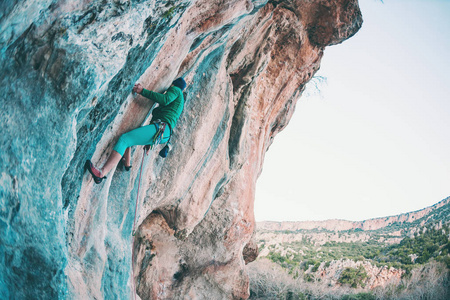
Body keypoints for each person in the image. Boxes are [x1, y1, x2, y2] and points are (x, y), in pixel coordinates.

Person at [85, 77, 186, 184]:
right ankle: (127, 164)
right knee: (131, 136)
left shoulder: (176, 90)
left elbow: (165, 100)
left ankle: (101, 173)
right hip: (163, 133)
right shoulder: (179, 102)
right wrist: (150, 143)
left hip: (160, 129)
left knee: (124, 139)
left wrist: (142, 91)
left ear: (173, 85)